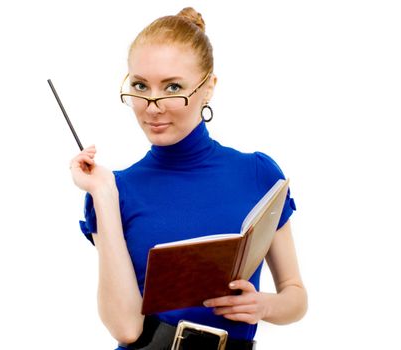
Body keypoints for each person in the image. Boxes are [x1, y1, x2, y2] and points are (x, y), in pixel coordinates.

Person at [70, 7, 307, 349]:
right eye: (140, 85)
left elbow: (296, 297)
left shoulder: (258, 174)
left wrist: (264, 305)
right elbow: (125, 328)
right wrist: (103, 194)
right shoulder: (115, 189)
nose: (152, 106)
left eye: (172, 87)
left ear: (208, 87)